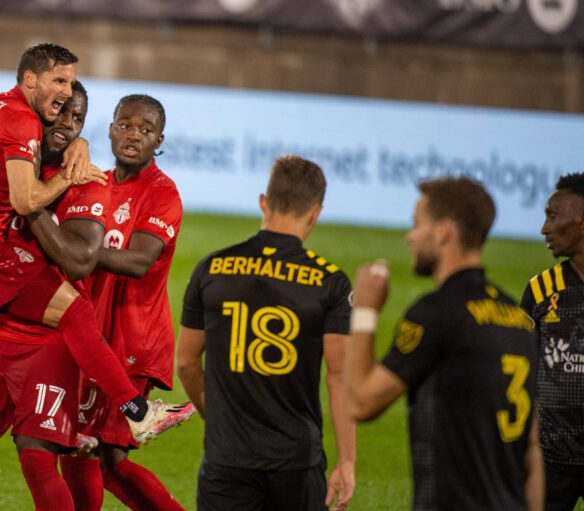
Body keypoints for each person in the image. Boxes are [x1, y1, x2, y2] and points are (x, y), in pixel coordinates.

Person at [0, 54, 188, 509]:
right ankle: (135, 412)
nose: (66, 121)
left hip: (49, 344)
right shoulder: (16, 161)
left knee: (48, 458)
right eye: (60, 110)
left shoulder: (88, 185)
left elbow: (79, 262)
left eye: (77, 117)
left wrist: (36, 199)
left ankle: (135, 410)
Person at [344, 176, 544, 511]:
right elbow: (532, 452)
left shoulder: (436, 313)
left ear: (443, 232)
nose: (410, 236)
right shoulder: (519, 321)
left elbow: (361, 402)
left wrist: (364, 311)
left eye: (417, 223)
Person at [176, 155, 357, 511]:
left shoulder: (212, 267)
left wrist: (214, 416)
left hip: (227, 456)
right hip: (297, 460)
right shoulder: (330, 282)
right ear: (316, 213)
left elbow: (185, 362)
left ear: (263, 202)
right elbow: (339, 377)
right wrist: (347, 460)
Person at [61, 94, 194, 511]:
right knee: (109, 460)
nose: (134, 134)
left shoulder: (162, 194)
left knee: (81, 448)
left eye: (146, 129)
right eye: (125, 124)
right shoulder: (95, 184)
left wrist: (76, 249)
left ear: (160, 140)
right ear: (111, 129)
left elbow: (138, 261)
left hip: (132, 342)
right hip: (95, 337)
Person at [520, 173, 584, 511]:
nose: (544, 228)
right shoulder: (540, 289)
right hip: (550, 460)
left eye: (553, 216)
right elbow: (519, 367)